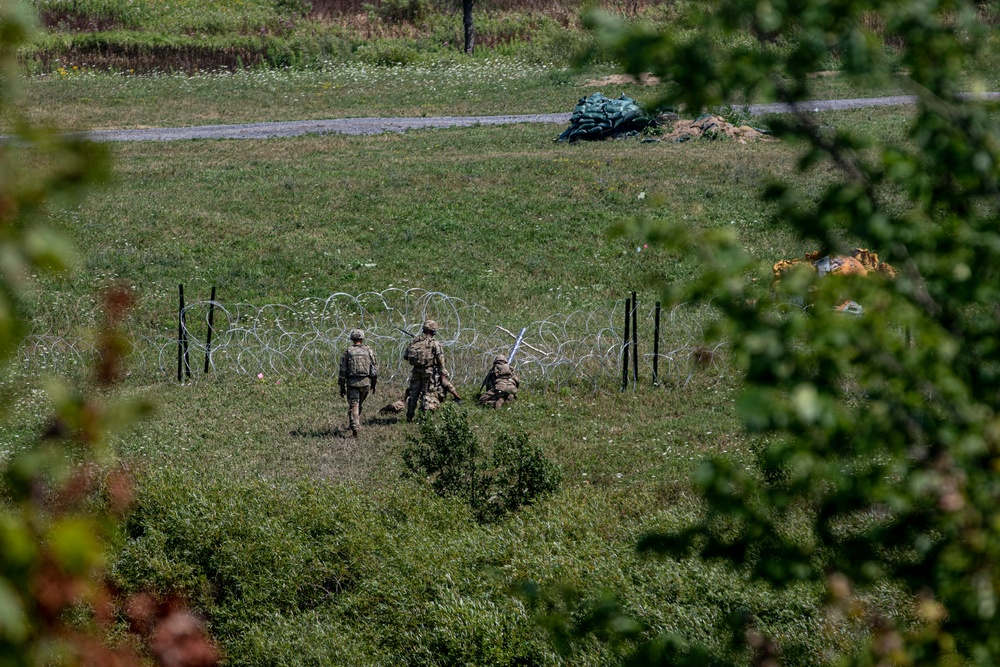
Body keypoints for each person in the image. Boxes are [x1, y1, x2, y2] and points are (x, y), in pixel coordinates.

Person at [338, 329, 378, 437]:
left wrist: (341, 386)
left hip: (352, 383)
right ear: (362, 338)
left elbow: (342, 370)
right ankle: (355, 423)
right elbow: (374, 369)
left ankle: (355, 428)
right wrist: (373, 383)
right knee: (359, 403)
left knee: (354, 404)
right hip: (365, 382)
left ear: (352, 338)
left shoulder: (348, 352)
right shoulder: (369, 351)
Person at [403, 319, 445, 422]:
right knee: (427, 394)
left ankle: (409, 415)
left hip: (416, 371)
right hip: (429, 371)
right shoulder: (434, 343)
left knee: (413, 394)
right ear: (433, 330)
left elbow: (405, 356)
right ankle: (424, 418)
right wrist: (442, 371)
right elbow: (440, 359)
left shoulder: (415, 341)